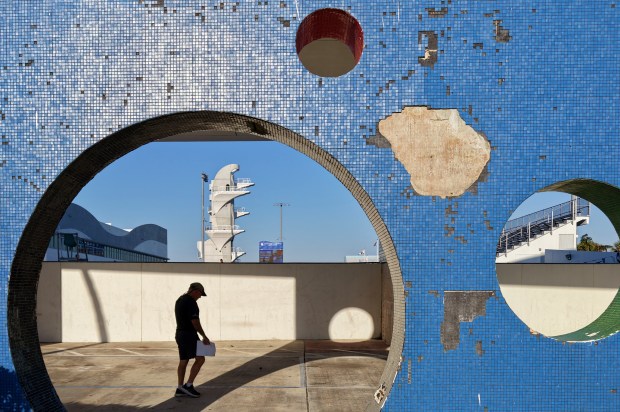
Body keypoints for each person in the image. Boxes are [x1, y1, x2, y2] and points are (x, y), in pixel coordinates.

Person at [174, 282, 210, 398]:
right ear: (195, 291)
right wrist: (204, 336)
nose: (200, 297)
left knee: (183, 361)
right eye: (200, 294)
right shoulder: (191, 302)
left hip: (180, 334)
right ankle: (188, 385)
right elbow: (195, 322)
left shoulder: (180, 299)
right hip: (189, 335)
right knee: (200, 359)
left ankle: (180, 388)